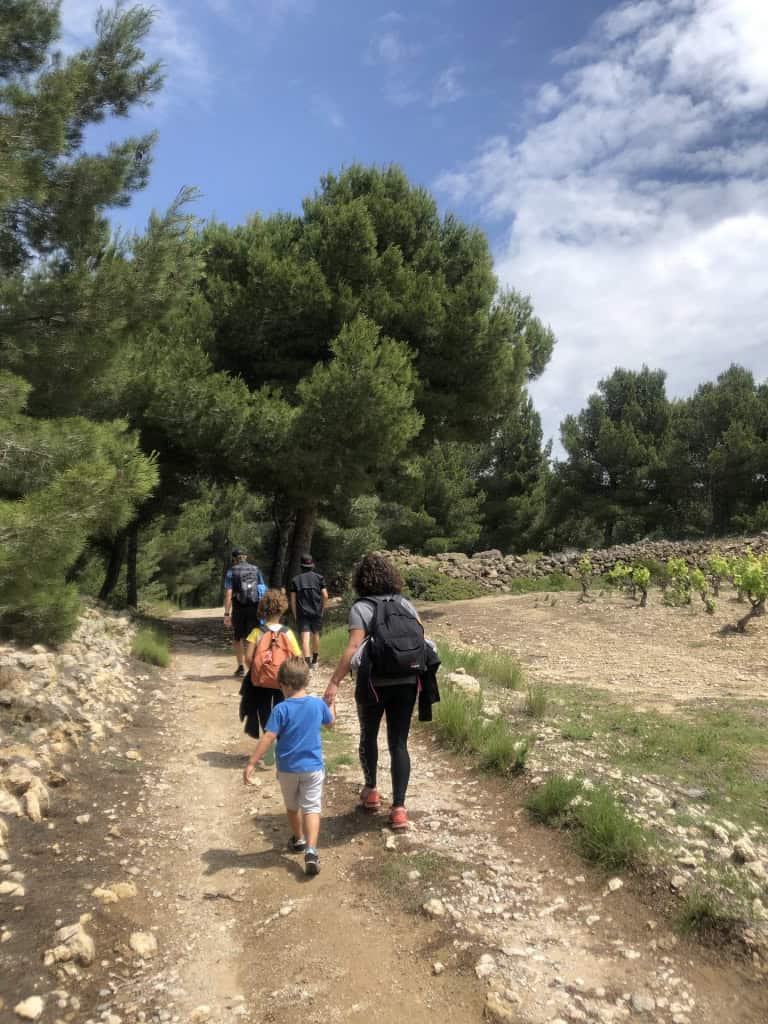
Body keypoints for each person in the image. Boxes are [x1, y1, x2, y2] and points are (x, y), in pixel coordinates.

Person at [324, 554, 424, 832]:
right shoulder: (406, 604)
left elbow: (353, 648)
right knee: (399, 743)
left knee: (368, 735)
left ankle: (371, 791)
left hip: (373, 683)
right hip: (407, 680)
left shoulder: (361, 608)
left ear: (361, 581)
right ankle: (400, 810)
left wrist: (334, 683)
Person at [244, 657, 336, 876]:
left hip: (287, 769)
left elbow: (268, 737)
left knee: (293, 807)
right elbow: (331, 723)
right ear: (307, 681)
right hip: (312, 767)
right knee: (312, 807)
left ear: (282, 684)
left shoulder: (280, 709)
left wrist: (251, 762)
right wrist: (331, 705)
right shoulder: (317, 704)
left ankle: (299, 840)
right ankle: (312, 852)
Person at [240, 589, 301, 764]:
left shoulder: (256, 632)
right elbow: (296, 657)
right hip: (283, 682)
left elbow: (249, 658)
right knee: (283, 711)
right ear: (282, 610)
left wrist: (258, 670)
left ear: (262, 610)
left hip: (261, 682)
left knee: (265, 712)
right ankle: (283, 747)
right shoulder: (287, 633)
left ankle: (268, 745)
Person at [223, 549, 266, 677]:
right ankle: (256, 667)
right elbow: (262, 589)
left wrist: (226, 613)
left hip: (239, 608)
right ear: (246, 557)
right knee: (256, 637)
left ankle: (241, 667)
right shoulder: (256, 569)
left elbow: (229, 593)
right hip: (254, 607)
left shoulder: (231, 571)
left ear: (234, 558)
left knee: (238, 638)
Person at [289, 554, 329, 668]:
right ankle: (315, 661)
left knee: (305, 638)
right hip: (316, 611)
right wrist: (322, 610)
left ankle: (307, 663)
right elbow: (325, 596)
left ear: (301, 566)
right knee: (316, 634)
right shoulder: (319, 578)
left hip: (302, 613)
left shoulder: (295, 580)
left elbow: (292, 600)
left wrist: (295, 614)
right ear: (312, 565)